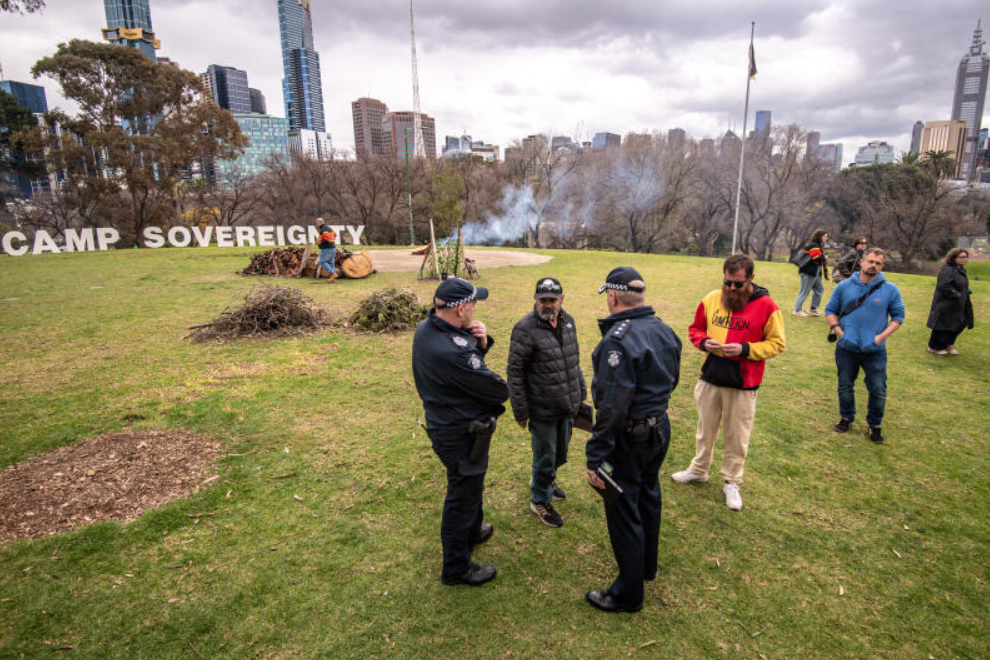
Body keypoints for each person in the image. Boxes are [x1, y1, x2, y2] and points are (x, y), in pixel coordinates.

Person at [584, 267, 681, 613]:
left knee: (623, 506)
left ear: (612, 297)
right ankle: (646, 567)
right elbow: (673, 379)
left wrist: (595, 454)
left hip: (629, 437)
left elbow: (612, 405)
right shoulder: (664, 330)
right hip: (659, 429)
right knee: (648, 494)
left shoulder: (617, 340)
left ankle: (628, 594)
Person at [411, 278, 509, 586]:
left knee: (471, 485)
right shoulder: (454, 352)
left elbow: (465, 373)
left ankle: (472, 531)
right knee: (462, 495)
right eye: (474, 304)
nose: (476, 308)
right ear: (463, 309)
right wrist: (476, 348)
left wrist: (477, 343)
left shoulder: (428, 328)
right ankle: (456, 567)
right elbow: (495, 389)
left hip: (447, 421)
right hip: (459, 432)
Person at [671, 254, 786, 511]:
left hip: (743, 383)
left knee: (737, 436)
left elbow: (777, 343)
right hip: (711, 377)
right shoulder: (711, 299)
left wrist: (745, 349)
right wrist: (703, 342)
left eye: (738, 284)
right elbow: (695, 329)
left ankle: (732, 481)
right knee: (705, 429)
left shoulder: (767, 306)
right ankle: (699, 470)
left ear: (751, 279)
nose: (731, 288)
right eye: (727, 282)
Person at [507, 277, 586, 528]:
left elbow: (573, 360)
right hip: (542, 408)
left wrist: (580, 391)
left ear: (563, 298)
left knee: (560, 453)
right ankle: (539, 499)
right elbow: (515, 372)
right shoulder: (524, 329)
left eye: (553, 299)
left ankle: (546, 479)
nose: (548, 305)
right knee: (545, 455)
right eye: (543, 300)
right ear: (536, 300)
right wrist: (520, 409)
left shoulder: (569, 321)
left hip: (567, 403)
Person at [825, 248, 905, 444]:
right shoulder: (844, 287)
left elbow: (898, 317)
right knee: (845, 385)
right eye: (870, 261)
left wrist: (880, 338)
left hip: (874, 350)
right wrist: (839, 332)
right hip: (847, 347)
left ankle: (875, 424)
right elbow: (830, 310)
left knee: (878, 388)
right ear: (861, 262)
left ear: (882, 266)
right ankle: (846, 418)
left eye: (877, 263)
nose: (873, 266)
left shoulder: (890, 289)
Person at [927, 248, 974, 356]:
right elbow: (944, 285)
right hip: (947, 303)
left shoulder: (960, 269)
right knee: (943, 326)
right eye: (961, 257)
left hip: (959, 304)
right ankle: (934, 347)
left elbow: (960, 283)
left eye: (965, 257)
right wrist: (957, 294)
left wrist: (965, 291)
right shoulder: (948, 269)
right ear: (954, 258)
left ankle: (948, 345)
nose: (963, 259)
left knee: (959, 323)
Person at [793, 228, 829, 317]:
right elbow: (815, 258)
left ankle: (812, 308)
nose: (826, 238)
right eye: (825, 237)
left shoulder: (818, 245)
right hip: (808, 272)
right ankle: (797, 310)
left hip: (815, 272)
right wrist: (825, 258)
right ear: (819, 237)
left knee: (820, 289)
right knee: (804, 291)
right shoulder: (814, 246)